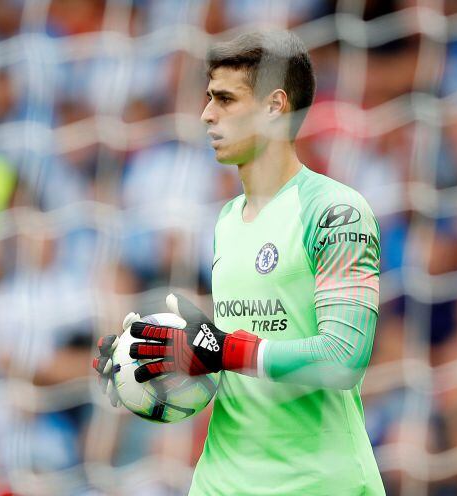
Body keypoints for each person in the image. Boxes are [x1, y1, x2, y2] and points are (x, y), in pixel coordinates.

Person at [93, 30, 384, 495]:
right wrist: (148, 359)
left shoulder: (335, 211)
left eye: (225, 99)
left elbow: (343, 358)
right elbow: (228, 353)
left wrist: (225, 350)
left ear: (275, 106)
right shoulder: (227, 218)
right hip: (221, 481)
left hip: (317, 482)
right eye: (208, 98)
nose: (207, 114)